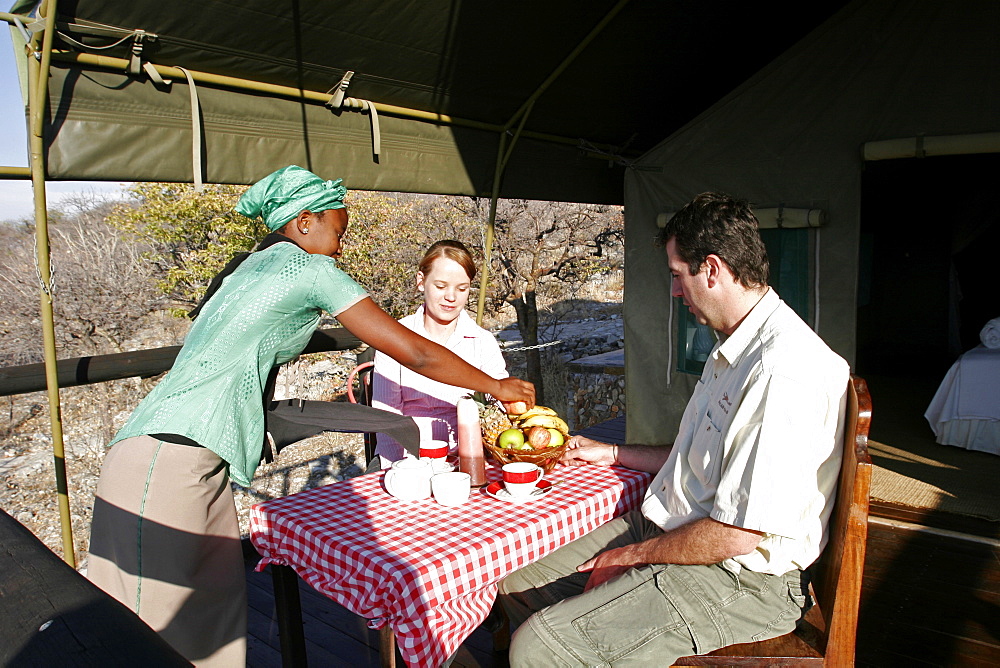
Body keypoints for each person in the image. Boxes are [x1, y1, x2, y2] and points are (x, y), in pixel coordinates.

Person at [86, 165, 534, 667]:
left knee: (215, 619)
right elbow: (417, 352)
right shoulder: (308, 270)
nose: (341, 246)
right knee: (150, 627)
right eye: (338, 231)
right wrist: (496, 385)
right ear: (304, 222)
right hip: (167, 451)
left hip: (201, 456)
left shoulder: (249, 267)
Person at [497, 192, 849, 666]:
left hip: (740, 577)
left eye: (676, 275)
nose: (674, 291)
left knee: (538, 647)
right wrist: (615, 454)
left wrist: (630, 557)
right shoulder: (737, 346)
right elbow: (700, 455)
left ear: (711, 269)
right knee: (516, 583)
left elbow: (736, 534)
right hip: (678, 527)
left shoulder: (780, 371)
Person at [370, 240, 508, 468]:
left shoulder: (482, 341)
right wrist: (396, 469)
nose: (451, 297)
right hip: (408, 458)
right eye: (441, 286)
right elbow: (387, 416)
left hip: (469, 457)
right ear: (421, 282)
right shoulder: (395, 339)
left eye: (461, 288)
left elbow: (499, 404)